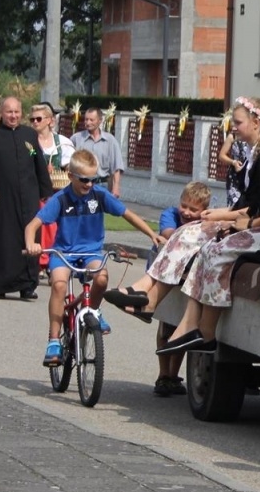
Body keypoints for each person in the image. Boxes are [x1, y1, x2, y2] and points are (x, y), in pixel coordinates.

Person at [106, 97, 260, 320]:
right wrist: (221, 213)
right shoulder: (254, 153)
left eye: (238, 122)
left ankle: (155, 300)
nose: (233, 127)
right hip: (242, 219)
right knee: (186, 230)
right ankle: (145, 291)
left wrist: (222, 215)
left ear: (256, 122)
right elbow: (246, 204)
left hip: (253, 227)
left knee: (193, 234)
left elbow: (255, 208)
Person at [158, 90, 260, 355]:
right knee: (211, 245)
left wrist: (247, 223)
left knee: (216, 249)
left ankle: (206, 332)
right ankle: (192, 323)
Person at [23, 148, 160, 367]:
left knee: (102, 277)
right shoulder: (61, 199)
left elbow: (128, 214)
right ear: (71, 176)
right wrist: (31, 244)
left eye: (93, 179)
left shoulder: (99, 195)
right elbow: (33, 225)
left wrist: (151, 234)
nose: (89, 184)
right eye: (84, 179)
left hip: (91, 253)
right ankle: (53, 341)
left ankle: (93, 311)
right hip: (64, 252)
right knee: (58, 284)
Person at [0, 96, 51, 300]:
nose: (13, 116)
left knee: (29, 238)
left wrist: (47, 193)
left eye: (17, 112)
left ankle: (28, 285)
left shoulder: (29, 134)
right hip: (1, 199)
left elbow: (39, 164)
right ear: (2, 113)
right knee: (3, 240)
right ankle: (0, 284)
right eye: (9, 112)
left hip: (28, 197)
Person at [150, 181, 212, 396]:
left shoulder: (206, 222)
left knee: (180, 329)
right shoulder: (170, 215)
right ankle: (163, 374)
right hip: (166, 277)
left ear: (204, 211)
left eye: (193, 209)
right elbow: (170, 234)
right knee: (166, 326)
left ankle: (173, 376)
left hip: (188, 279)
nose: (186, 212)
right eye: (183, 205)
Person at [70, 107, 125, 197]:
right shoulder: (76, 139)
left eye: (91, 120)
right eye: (86, 119)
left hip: (102, 185)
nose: (88, 123)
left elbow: (116, 166)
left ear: (100, 120)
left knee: (100, 211)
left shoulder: (110, 140)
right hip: (82, 185)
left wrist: (116, 186)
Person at [219, 97, 260, 207]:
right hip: (235, 175)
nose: (234, 127)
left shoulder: (259, 150)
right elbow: (222, 155)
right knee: (234, 204)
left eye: (238, 122)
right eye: (234, 122)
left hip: (246, 170)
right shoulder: (233, 137)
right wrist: (233, 162)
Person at [30, 102, 74, 191]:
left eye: (38, 119)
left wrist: (64, 170)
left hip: (58, 188)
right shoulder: (29, 143)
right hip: (36, 189)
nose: (35, 121)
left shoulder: (62, 141)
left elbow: (71, 166)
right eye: (32, 119)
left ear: (49, 120)